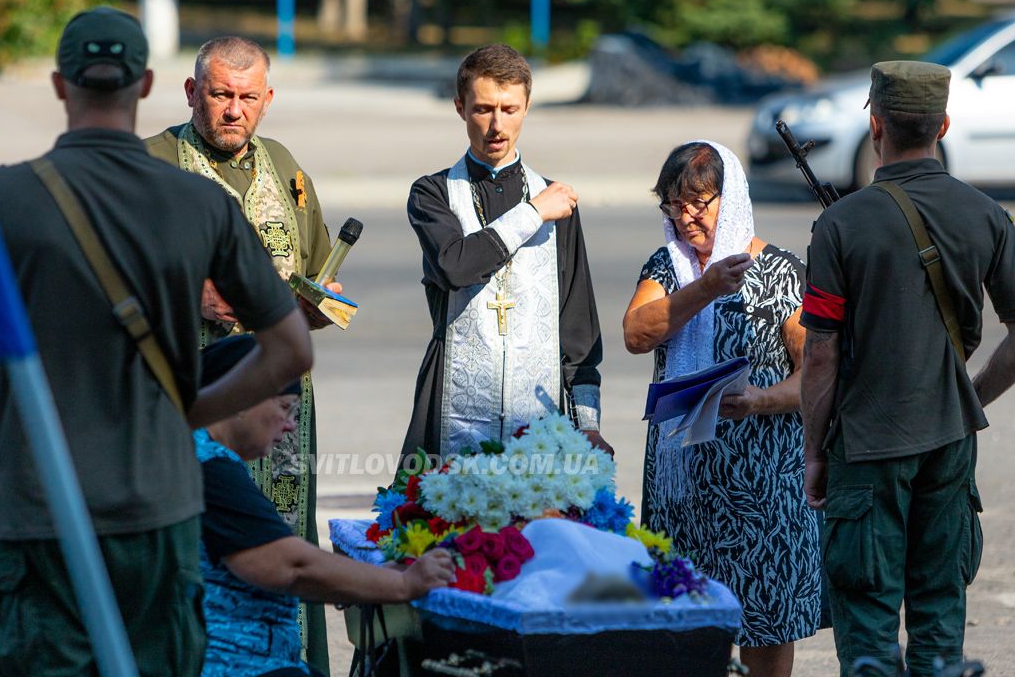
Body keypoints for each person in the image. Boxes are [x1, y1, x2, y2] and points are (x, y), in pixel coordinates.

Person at [0, 7, 312, 676]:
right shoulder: (201, 204)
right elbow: (290, 350)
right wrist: (188, 409)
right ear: (146, 85)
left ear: (60, 85)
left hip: (37, 506)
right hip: (159, 505)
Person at [800, 61, 1015, 677]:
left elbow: (822, 353)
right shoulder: (986, 214)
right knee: (940, 626)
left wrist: (813, 453)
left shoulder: (839, 224)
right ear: (944, 124)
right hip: (949, 441)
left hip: (865, 442)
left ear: (876, 124)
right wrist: (970, 398)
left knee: (868, 632)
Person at [144, 37, 335, 671]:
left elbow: (313, 268)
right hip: (188, 405)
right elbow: (105, 283)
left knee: (283, 544)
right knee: (197, 549)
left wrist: (316, 305)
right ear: (192, 92)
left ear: (268, 99)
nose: (234, 110)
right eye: (221, 94)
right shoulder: (152, 163)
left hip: (279, 407)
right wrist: (183, 294)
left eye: (248, 97)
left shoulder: (283, 165)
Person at [623, 141, 819, 677]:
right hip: (682, 488)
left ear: (729, 199)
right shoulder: (667, 268)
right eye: (673, 206)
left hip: (762, 488)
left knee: (766, 622)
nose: (685, 218)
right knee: (683, 628)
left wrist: (759, 399)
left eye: (697, 204)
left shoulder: (780, 271)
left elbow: (817, 376)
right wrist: (705, 287)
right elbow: (636, 334)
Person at [195, 335, 454, 677]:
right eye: (284, 407)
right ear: (243, 397)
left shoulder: (199, 455)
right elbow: (288, 566)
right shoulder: (209, 467)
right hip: (232, 664)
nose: (289, 425)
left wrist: (371, 578)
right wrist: (403, 585)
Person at [402, 44, 607, 458]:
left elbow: (578, 327)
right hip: (450, 403)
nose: (497, 125)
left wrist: (588, 424)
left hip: (540, 412)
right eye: (483, 109)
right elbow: (456, 266)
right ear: (460, 107)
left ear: (527, 106)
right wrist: (533, 213)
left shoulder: (557, 202)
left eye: (509, 109)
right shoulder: (432, 193)